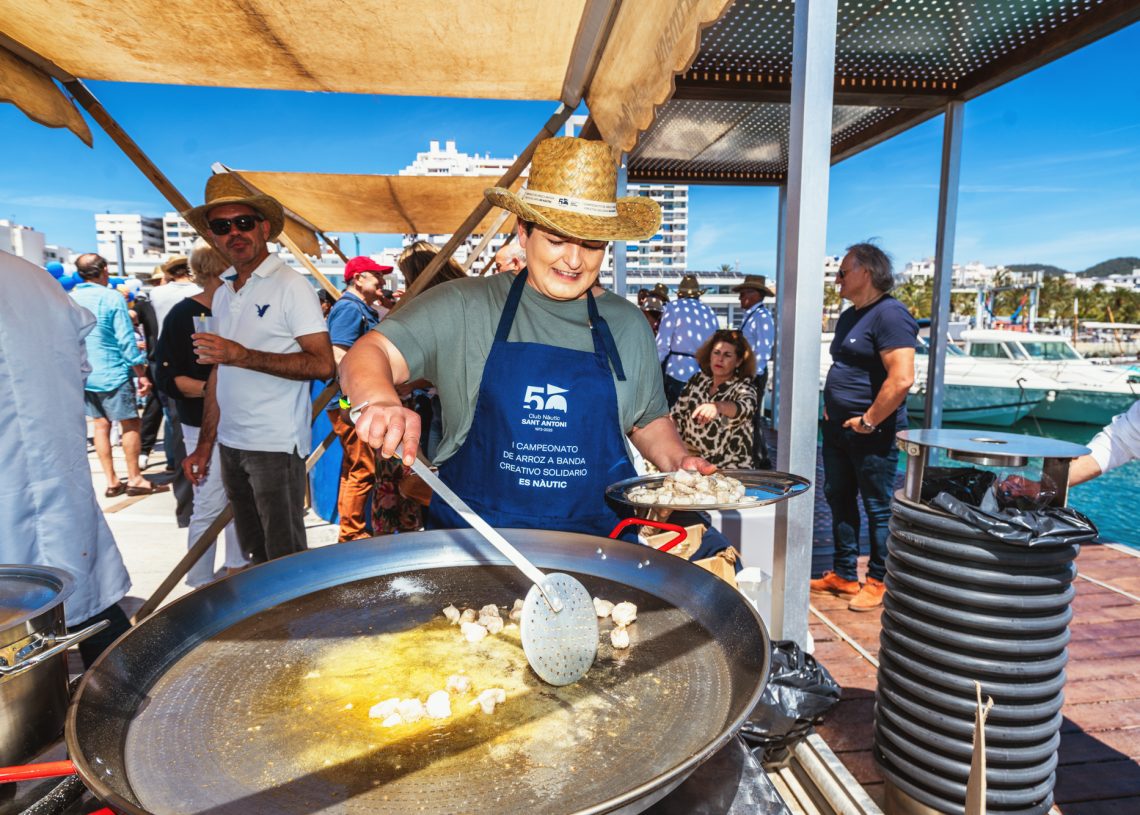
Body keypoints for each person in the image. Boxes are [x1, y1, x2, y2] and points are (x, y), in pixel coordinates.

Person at [340, 136, 720, 543]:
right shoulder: (465, 306)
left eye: (591, 244)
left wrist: (678, 461)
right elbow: (367, 353)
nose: (574, 260)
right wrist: (379, 400)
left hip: (600, 554)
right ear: (524, 232)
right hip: (477, 551)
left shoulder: (627, 324)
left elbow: (646, 419)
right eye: (557, 239)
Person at [181, 174, 335, 565]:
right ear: (213, 238)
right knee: (254, 554)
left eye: (244, 223)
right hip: (232, 445)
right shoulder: (223, 292)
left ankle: (294, 625)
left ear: (264, 228)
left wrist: (241, 354)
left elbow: (322, 363)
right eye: (222, 226)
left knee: (285, 559)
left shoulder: (290, 285)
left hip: (275, 445)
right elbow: (219, 373)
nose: (234, 233)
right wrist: (205, 443)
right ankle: (269, 625)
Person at [0, 251, 132, 667]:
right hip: (57, 469)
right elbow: (81, 365)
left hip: (31, 473)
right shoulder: (34, 278)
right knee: (85, 599)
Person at [811, 242, 916, 612]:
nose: (837, 279)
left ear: (865, 273)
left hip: (872, 431)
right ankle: (843, 573)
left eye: (842, 272)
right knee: (838, 498)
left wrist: (869, 421)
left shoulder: (891, 315)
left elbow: (902, 379)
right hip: (839, 428)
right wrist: (830, 407)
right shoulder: (850, 316)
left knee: (876, 506)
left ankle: (878, 579)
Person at [154, 240, 246, 586]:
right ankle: (199, 582)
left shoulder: (239, 308)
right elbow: (165, 375)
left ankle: (237, 565)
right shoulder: (183, 314)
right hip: (200, 422)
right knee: (209, 503)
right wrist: (213, 390)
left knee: (239, 498)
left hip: (242, 420)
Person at [70, 253, 168, 497]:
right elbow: (126, 340)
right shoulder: (112, 297)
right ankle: (135, 478)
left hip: (85, 373)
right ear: (103, 270)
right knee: (130, 423)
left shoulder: (70, 298)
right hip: (112, 371)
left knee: (100, 426)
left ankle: (112, 481)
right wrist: (141, 373)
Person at [327, 256, 393, 541]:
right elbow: (339, 358)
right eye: (375, 275)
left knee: (353, 467)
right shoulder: (350, 310)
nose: (381, 280)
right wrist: (348, 405)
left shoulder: (357, 308)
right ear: (358, 279)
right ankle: (352, 534)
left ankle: (349, 529)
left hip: (351, 403)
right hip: (353, 405)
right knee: (362, 468)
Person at [671, 329, 758, 469]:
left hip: (729, 470)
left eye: (727, 355)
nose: (720, 359)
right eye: (716, 353)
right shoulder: (697, 380)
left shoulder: (745, 387)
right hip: (692, 466)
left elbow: (745, 407)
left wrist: (718, 406)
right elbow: (676, 416)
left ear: (739, 361)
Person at [734, 274, 776, 469]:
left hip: (754, 375)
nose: (740, 298)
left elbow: (764, 350)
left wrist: (751, 375)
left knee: (753, 417)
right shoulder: (751, 316)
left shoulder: (762, 317)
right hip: (748, 373)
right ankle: (753, 455)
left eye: (743, 293)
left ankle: (761, 459)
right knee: (747, 416)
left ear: (755, 295)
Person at [656, 274, 719, 407]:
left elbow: (662, 345)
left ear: (679, 294)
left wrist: (653, 367)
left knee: (675, 416)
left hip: (677, 371)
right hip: (703, 374)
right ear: (698, 295)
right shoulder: (709, 311)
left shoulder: (673, 307)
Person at [149, 255, 201, 330]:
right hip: (192, 339)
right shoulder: (200, 290)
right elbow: (203, 317)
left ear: (169, 272)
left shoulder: (155, 292)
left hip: (164, 340)